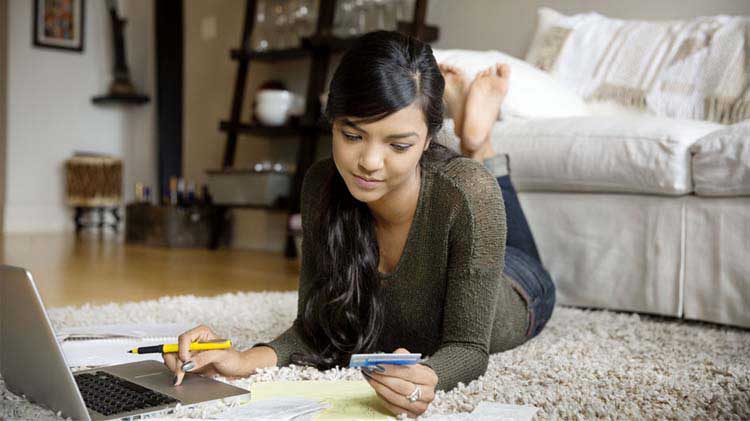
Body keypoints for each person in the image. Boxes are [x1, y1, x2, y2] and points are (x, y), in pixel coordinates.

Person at [163, 31, 555, 419]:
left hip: (520, 285)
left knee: (495, 210)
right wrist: (242, 359)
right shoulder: (321, 185)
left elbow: (468, 349)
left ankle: (477, 142)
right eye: (352, 135)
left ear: (428, 140)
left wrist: (430, 376)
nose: (368, 161)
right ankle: (473, 139)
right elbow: (313, 330)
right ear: (331, 122)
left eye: (398, 145)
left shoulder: (467, 192)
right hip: (463, 211)